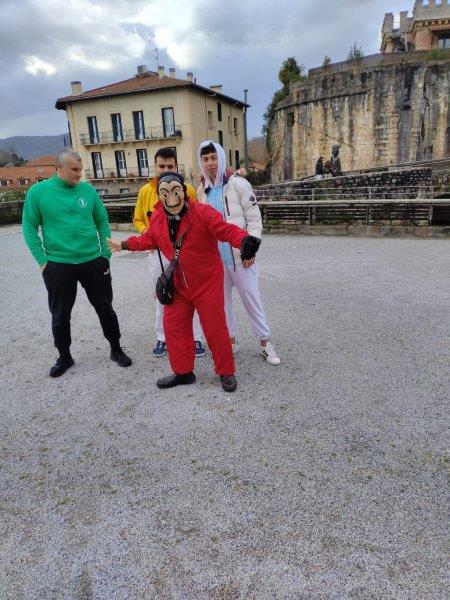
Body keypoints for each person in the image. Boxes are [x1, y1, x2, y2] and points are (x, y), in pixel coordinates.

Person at [108, 172, 260, 392]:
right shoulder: (158, 218)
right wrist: (124, 245)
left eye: (175, 190)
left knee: (215, 327)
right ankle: (183, 371)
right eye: (164, 192)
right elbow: (149, 239)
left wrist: (244, 240)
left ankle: (226, 371)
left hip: (207, 282)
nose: (171, 197)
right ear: (159, 195)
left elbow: (225, 229)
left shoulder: (203, 213)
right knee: (173, 327)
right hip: (178, 283)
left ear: (184, 191)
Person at [22, 149, 132, 377]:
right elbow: (29, 228)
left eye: (81, 169)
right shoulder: (38, 192)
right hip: (58, 264)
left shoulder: (88, 191)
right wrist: (43, 262)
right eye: (74, 169)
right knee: (60, 314)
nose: (79, 174)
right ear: (58, 168)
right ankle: (64, 356)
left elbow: (102, 222)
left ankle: (116, 349)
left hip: (93, 261)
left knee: (105, 308)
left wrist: (105, 256)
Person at [197, 141, 280, 366]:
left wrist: (250, 249)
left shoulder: (239, 184)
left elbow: (253, 218)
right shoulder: (202, 192)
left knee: (252, 300)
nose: (210, 163)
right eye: (206, 159)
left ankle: (265, 342)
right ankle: (231, 341)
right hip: (217, 261)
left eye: (214, 158)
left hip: (240, 258)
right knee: (222, 305)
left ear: (221, 158)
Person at [133, 147, 205, 358]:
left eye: (170, 166)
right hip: (157, 252)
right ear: (155, 167)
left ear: (176, 167)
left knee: (191, 293)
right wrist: (146, 233)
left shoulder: (188, 190)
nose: (166, 170)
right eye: (161, 166)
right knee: (161, 294)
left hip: (184, 252)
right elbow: (138, 219)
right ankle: (162, 337)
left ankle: (196, 337)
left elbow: (196, 217)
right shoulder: (145, 191)